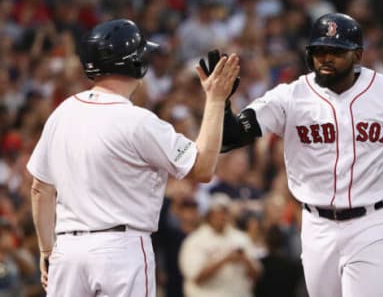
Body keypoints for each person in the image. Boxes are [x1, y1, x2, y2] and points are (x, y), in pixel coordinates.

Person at [213, 13, 383, 296]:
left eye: (335, 51)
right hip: (315, 224)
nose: (325, 58)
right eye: (319, 51)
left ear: (357, 55)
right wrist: (218, 104)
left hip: (372, 221)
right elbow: (229, 138)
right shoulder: (290, 96)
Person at [26, 18, 239, 297]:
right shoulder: (138, 121)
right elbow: (201, 169)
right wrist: (215, 100)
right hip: (121, 251)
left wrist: (46, 250)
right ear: (136, 63)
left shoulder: (63, 113)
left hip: (68, 251)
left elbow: (40, 188)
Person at [179, 193, 261, 297]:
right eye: (218, 213)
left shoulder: (241, 238)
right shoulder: (195, 241)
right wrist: (225, 259)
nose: (222, 216)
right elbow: (196, 278)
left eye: (225, 212)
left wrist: (244, 259)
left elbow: (257, 275)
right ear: (209, 215)